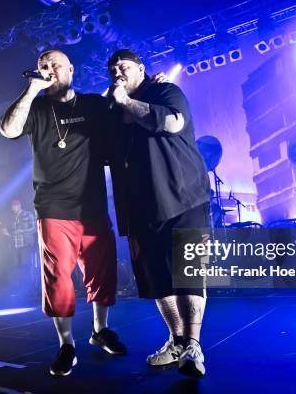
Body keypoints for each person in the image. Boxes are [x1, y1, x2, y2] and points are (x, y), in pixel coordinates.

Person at [0, 49, 127, 377]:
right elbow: (9, 130)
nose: (49, 70)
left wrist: (154, 85)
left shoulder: (93, 105)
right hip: (54, 206)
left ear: (71, 68)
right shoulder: (37, 107)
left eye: (55, 64)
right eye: (43, 66)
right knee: (58, 279)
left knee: (102, 272)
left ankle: (100, 330)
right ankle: (66, 345)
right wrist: (31, 90)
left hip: (94, 205)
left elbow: (123, 107)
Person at [107, 49, 211, 377]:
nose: (116, 72)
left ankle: (193, 346)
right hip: (140, 207)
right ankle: (177, 341)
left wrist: (125, 102)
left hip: (183, 197)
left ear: (141, 68)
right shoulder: (112, 107)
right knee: (157, 281)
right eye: (111, 69)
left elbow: (172, 122)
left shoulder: (165, 91)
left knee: (188, 274)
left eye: (122, 66)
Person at [1, 199, 37, 291]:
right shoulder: (12, 218)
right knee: (16, 267)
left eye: (15, 206)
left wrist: (22, 231)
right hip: (15, 245)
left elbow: (34, 228)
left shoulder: (28, 214)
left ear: (19, 205)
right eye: (12, 206)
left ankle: (29, 287)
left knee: (26, 265)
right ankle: (19, 287)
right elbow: (13, 233)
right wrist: (7, 234)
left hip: (26, 244)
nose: (13, 208)